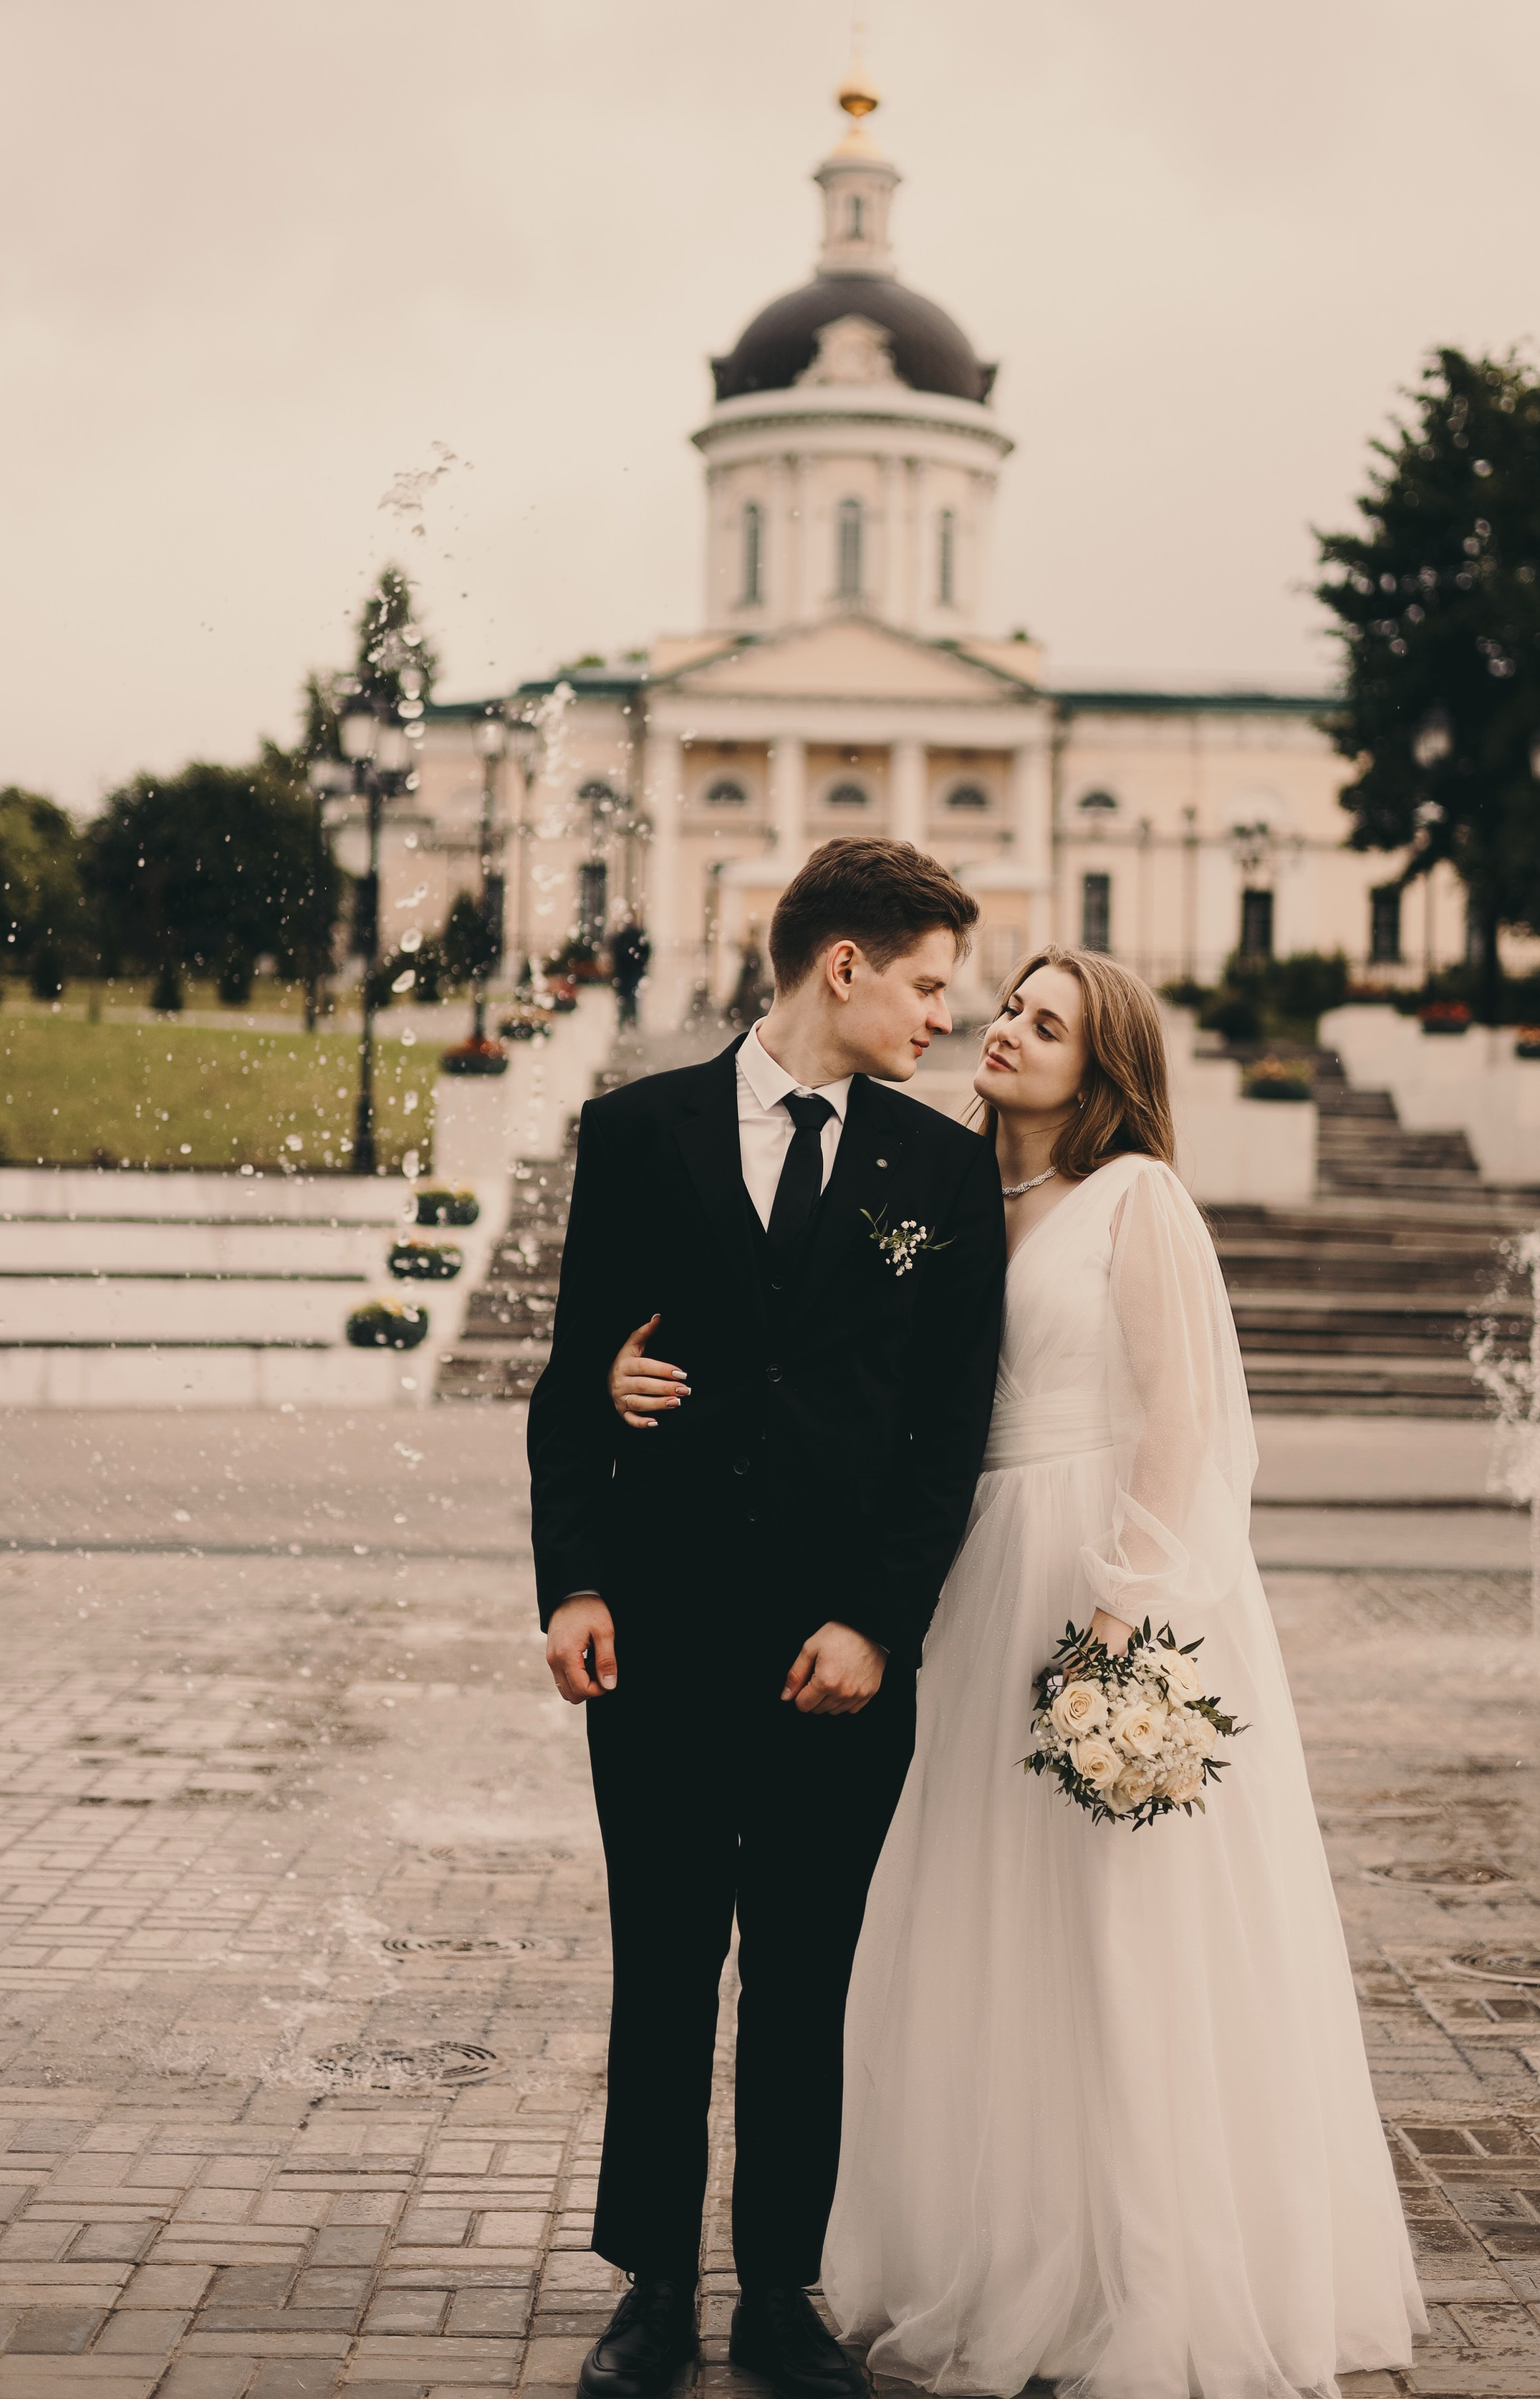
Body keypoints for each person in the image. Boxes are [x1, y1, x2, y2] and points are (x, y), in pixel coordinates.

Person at [621, 949, 1424, 2399]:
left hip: (1093, 1579)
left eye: (1044, 1025)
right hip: (969, 1569)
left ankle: (1136, 2271)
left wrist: (1125, 1607)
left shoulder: (1137, 1200)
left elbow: (1182, 1421)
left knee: (1108, 1926)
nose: (1004, 1032)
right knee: (976, 1914)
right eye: (1006, 1009)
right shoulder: (933, 1185)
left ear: (1099, 1066)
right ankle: (992, 2243)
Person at [531, 837, 1006, 2399]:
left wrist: (880, 1622)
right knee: (663, 1967)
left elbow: (948, 1433)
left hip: (837, 1658)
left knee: (805, 1979)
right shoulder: (635, 1131)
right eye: (929, 984)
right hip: (657, 1634)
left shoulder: (941, 1172)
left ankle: (780, 2293)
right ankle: (651, 2288)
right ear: (843, 966)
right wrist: (576, 1580)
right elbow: (569, 1383)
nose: (948, 1015)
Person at [606, 916, 650, 1027]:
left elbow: (615, 952)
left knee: (625, 995)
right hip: (630, 971)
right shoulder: (634, 936)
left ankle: (626, 1019)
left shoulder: (623, 936)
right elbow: (645, 952)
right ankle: (630, 1019)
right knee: (630, 995)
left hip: (626, 971)